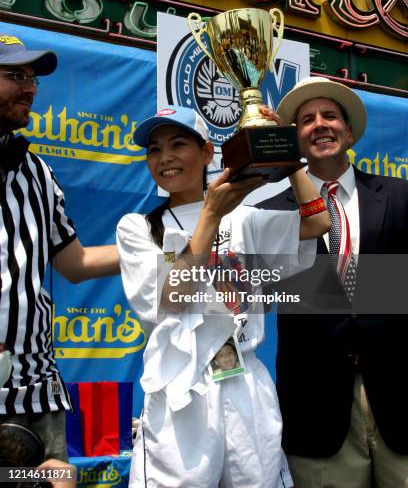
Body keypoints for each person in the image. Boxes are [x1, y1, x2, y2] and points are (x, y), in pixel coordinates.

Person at [117, 104, 330, 488]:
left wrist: (290, 158)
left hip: (245, 382)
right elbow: (174, 299)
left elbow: (317, 222)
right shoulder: (139, 228)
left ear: (207, 152)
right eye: (154, 149)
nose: (165, 158)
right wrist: (210, 216)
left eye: (178, 144)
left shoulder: (244, 218)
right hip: (182, 388)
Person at [257, 76, 408, 488]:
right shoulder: (269, 214)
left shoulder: (400, 196)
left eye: (329, 116)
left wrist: (317, 292)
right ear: (295, 139)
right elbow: (265, 294)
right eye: (306, 120)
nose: (319, 124)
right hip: (316, 409)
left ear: (350, 130)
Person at [0, 35, 120, 461]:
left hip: (36, 396)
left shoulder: (37, 172)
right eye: (16, 75)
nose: (30, 88)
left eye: (33, 78)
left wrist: (164, 243)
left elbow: (76, 263)